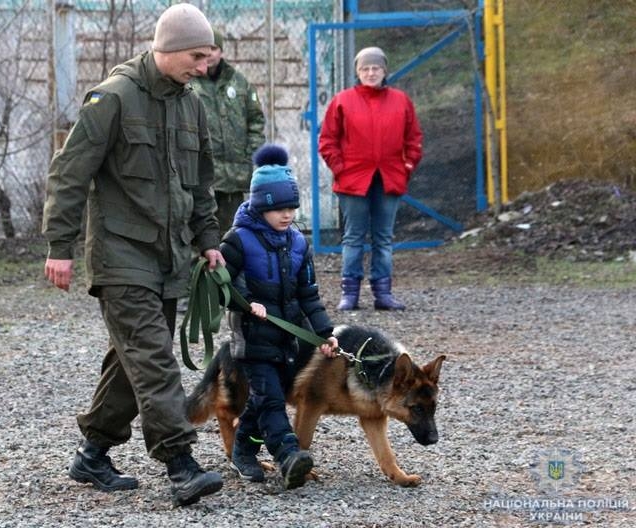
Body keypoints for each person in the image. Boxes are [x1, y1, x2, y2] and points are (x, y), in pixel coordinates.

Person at [42, 3, 225, 508]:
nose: (203, 66)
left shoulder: (192, 105)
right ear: (166, 50)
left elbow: (202, 183)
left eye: (208, 57)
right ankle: (180, 463)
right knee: (153, 357)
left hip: (168, 257)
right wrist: (60, 246)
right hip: (120, 254)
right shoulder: (114, 97)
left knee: (130, 360)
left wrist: (208, 239)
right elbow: (69, 173)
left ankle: (93, 452)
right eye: (196, 56)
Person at [219, 143, 339, 489]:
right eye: (279, 209)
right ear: (260, 206)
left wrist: (324, 333)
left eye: (291, 208)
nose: (287, 215)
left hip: (288, 340)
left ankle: (244, 448)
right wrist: (244, 304)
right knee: (272, 399)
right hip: (253, 342)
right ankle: (288, 455)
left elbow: (309, 294)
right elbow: (219, 287)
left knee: (261, 401)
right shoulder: (238, 241)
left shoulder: (299, 243)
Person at [318, 46, 423, 311]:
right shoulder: (343, 100)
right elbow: (327, 140)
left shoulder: (400, 101)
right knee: (353, 237)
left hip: (389, 178)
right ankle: (349, 294)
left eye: (375, 68)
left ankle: (383, 293)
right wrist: (340, 168)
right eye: (365, 68)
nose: (371, 73)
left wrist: (406, 166)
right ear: (357, 72)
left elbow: (414, 139)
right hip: (353, 180)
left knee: (383, 238)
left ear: (385, 70)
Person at [190, 28, 266, 236]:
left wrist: (250, 153)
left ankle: (230, 269)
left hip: (234, 174)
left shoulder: (239, 82)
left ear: (221, 51)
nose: (209, 54)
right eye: (205, 50)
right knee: (201, 229)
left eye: (214, 48)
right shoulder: (190, 83)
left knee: (232, 232)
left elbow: (256, 120)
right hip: (202, 173)